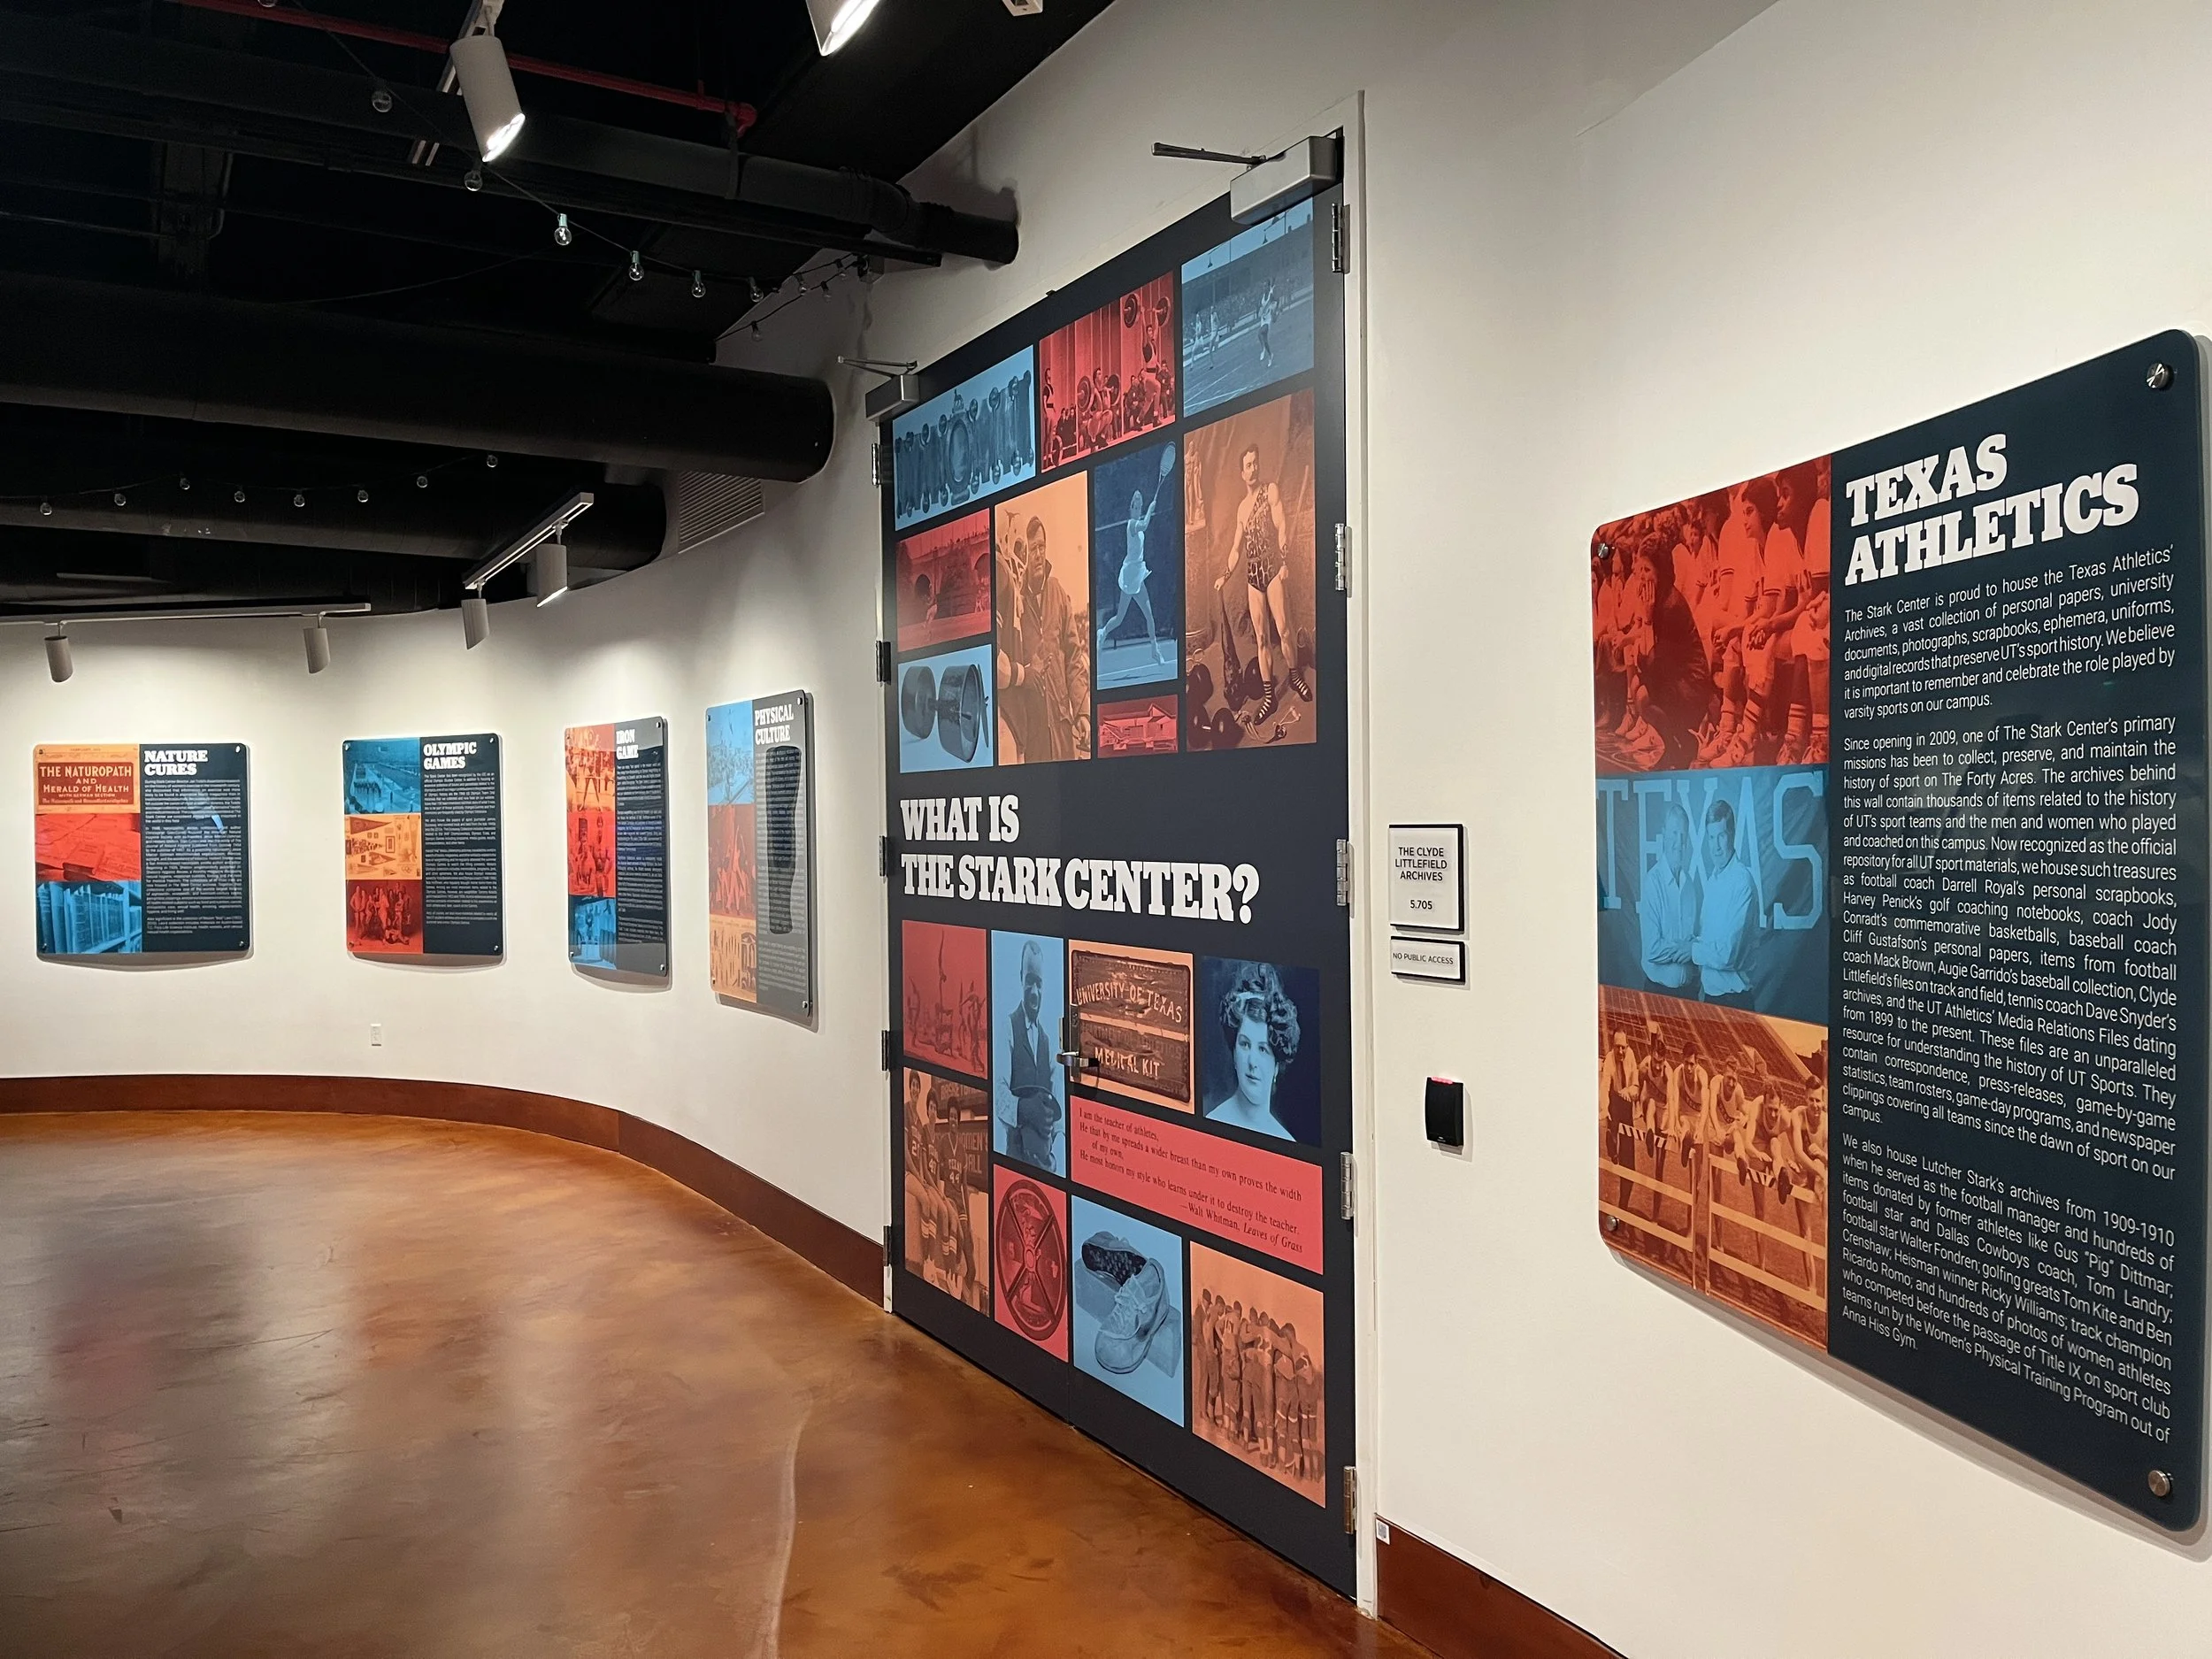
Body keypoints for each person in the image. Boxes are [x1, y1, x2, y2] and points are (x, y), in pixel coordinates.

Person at [1233, 442, 1305, 721]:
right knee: (1262, 639)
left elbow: (1282, 527)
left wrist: (1285, 561)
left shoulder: (1270, 491)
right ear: (1242, 473)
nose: (1253, 468)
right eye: (1248, 465)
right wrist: (1224, 576)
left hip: (1273, 568)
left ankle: (1295, 677)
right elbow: (1236, 549)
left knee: (1284, 631)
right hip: (1253, 576)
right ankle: (1269, 698)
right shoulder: (1241, 509)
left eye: (1255, 463)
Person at [1205, 963, 1302, 1140]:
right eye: (1245, 1045)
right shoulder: (1212, 1122)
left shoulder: (1286, 1141)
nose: (1252, 1062)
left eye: (1263, 1049)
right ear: (1234, 1053)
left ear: (1276, 1067)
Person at [998, 939, 1063, 1171]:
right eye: (1029, 982)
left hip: (1045, 1167)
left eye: (1039, 983)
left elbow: (1059, 1117)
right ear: (1020, 978)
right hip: (1015, 1161)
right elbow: (998, 1096)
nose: (1034, 992)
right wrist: (1025, 1109)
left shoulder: (1048, 1041)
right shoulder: (1008, 1028)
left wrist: (1054, 1159)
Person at [1691, 799, 1757, 1006]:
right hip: (1711, 999)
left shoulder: (1742, 881)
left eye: (1721, 836)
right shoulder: (1712, 881)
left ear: (1733, 835)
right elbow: (1707, 938)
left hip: (1735, 1002)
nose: (1716, 846)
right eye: (1711, 837)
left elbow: (1727, 955)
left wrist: (1689, 949)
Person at [1639, 802, 1701, 992]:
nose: (1679, 842)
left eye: (1683, 835)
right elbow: (1652, 949)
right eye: (1674, 833)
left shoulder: (1690, 885)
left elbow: (1694, 936)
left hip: (1689, 992)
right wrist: (1685, 950)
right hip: (1659, 993)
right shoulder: (1653, 882)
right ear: (1664, 834)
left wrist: (1693, 947)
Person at [1103, 484, 1168, 664]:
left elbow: (1144, 525)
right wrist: (1150, 509)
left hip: (1138, 575)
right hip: (1129, 576)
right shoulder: (1132, 524)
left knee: (1149, 615)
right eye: (1136, 506)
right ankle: (1103, 633)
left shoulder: (1137, 523)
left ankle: (1155, 650)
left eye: (1140, 506)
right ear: (1130, 508)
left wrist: (1147, 510)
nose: (1138, 509)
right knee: (1119, 618)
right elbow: (1145, 525)